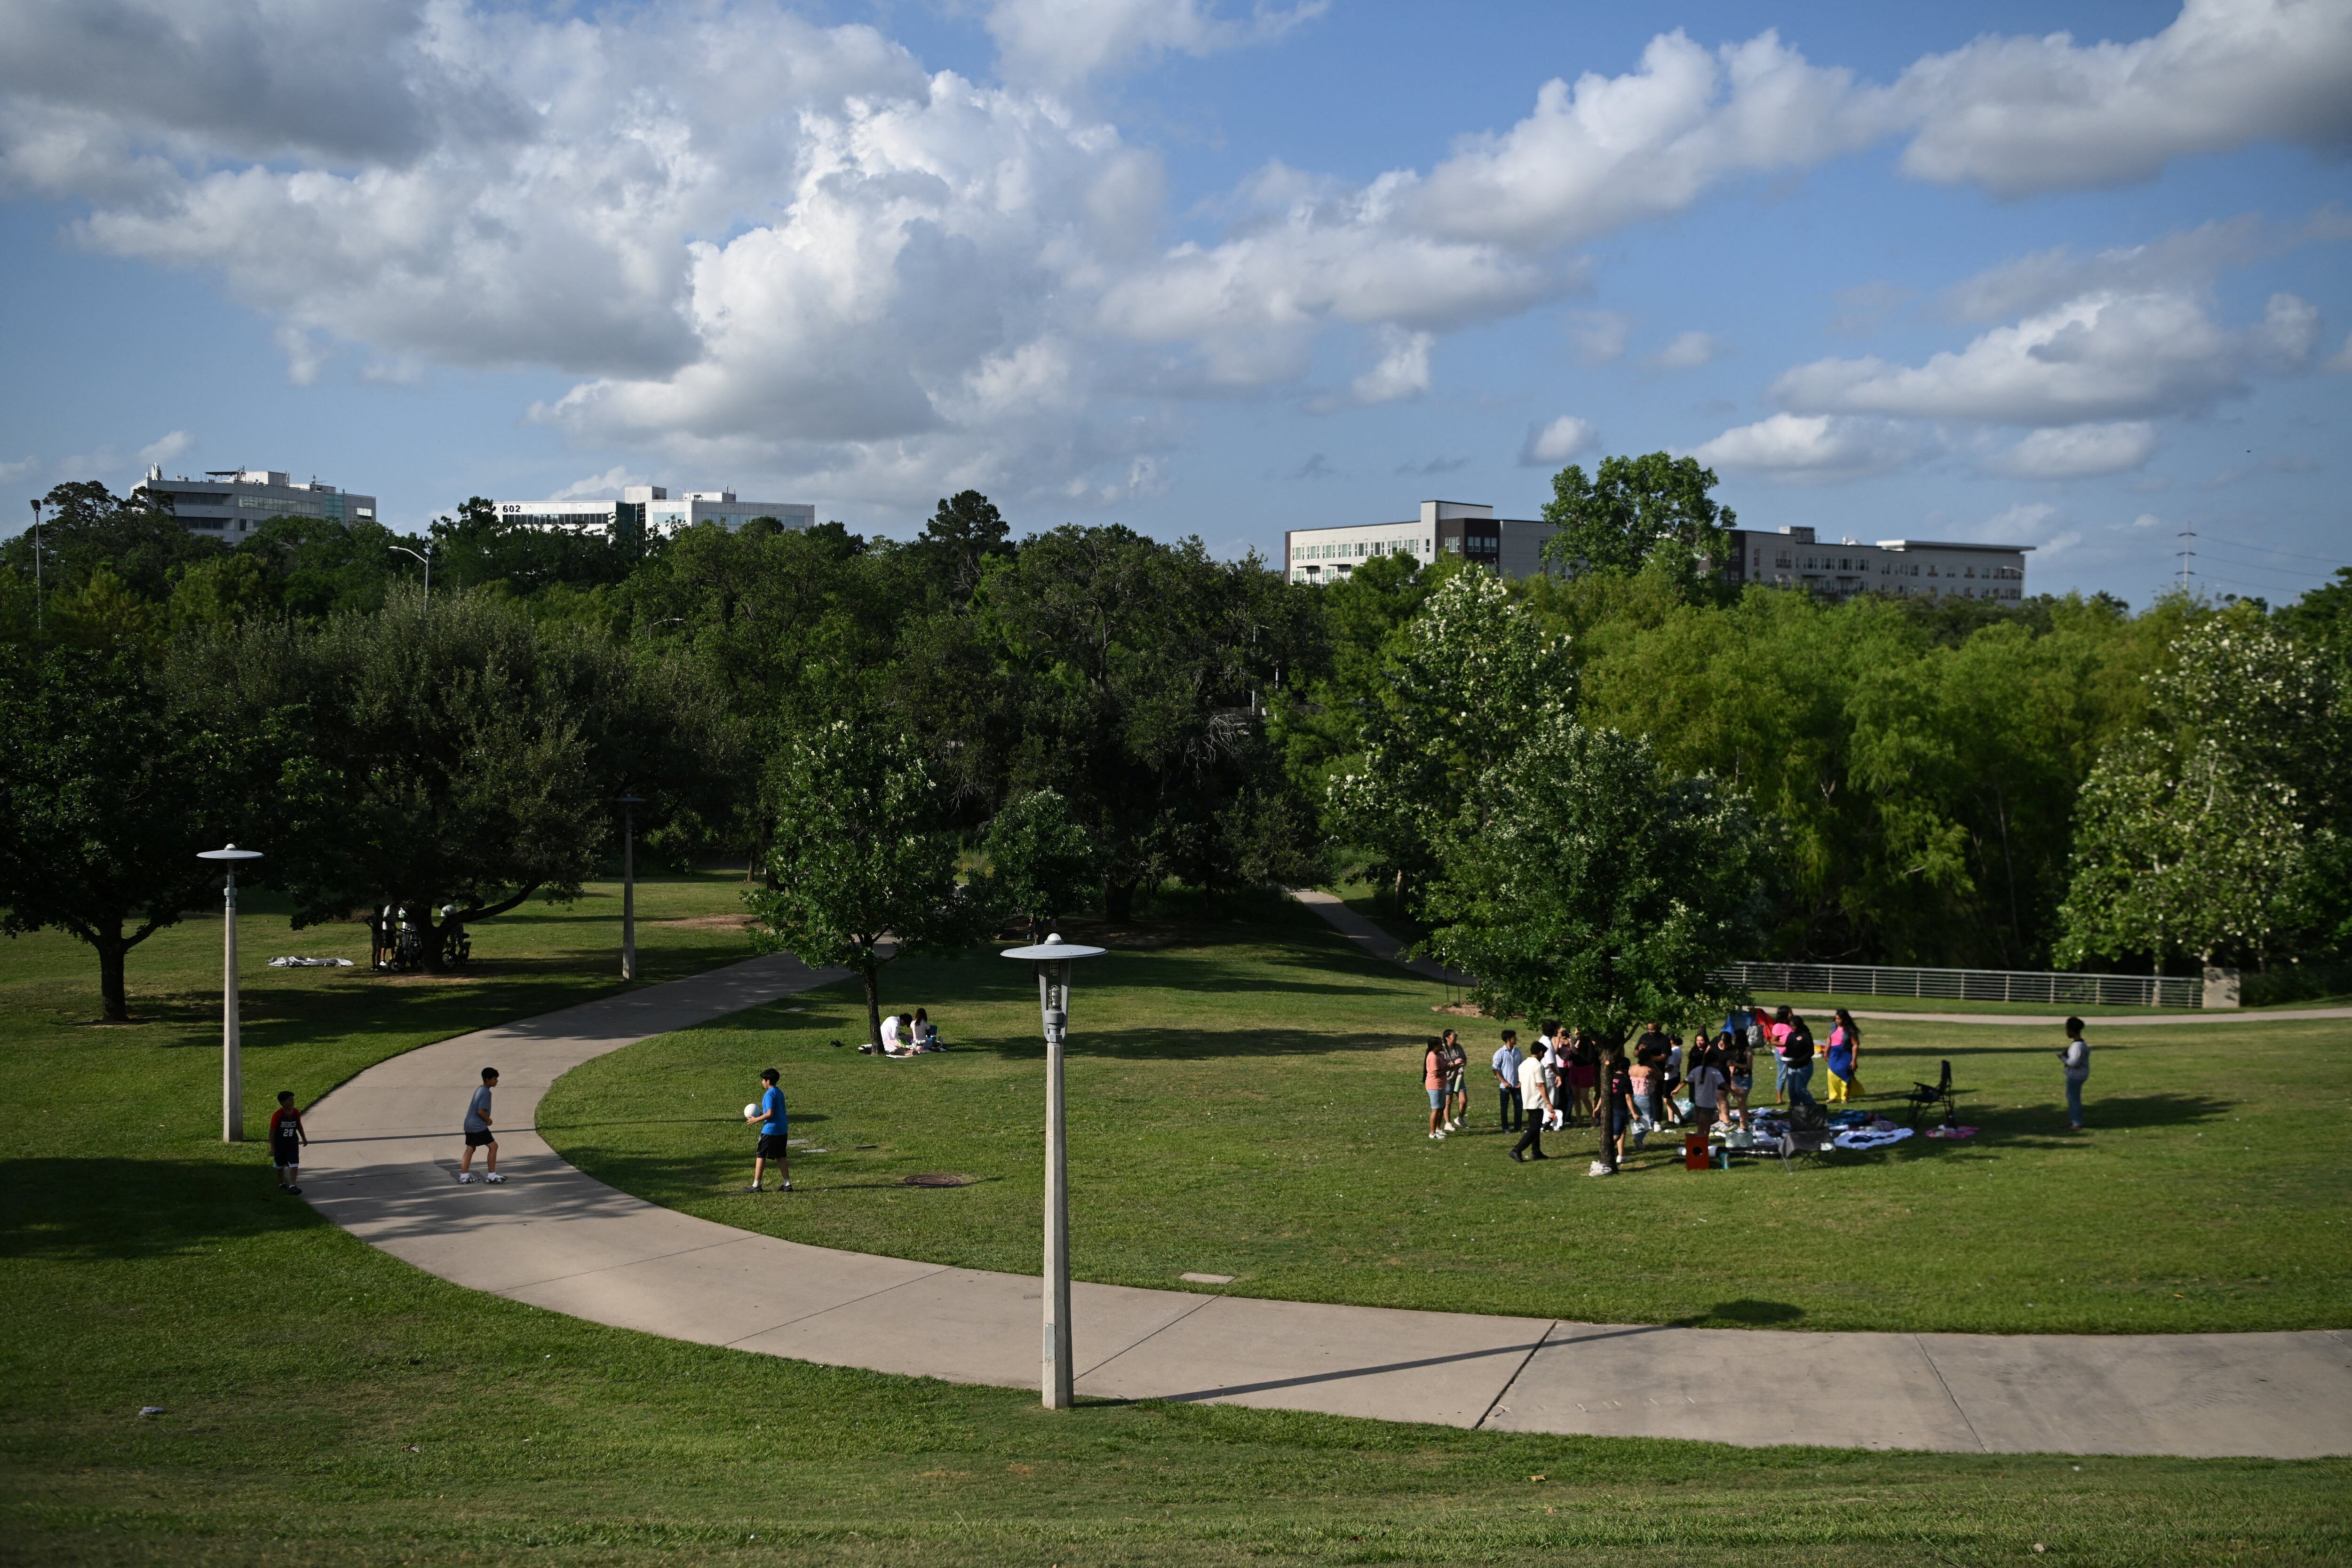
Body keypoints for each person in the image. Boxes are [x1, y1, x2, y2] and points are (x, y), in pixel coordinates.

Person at [746, 1067, 793, 1191]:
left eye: (763, 1080)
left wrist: (756, 1120)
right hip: (782, 1129)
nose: (762, 1082)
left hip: (771, 1130)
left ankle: (757, 1185)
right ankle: (787, 1184)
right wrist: (762, 1114)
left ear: (768, 1081)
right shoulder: (779, 1092)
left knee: (761, 1155)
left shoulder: (769, 1094)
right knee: (780, 1155)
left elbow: (770, 1113)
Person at [1593, 1044, 1634, 1174]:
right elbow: (1628, 1098)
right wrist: (1634, 1113)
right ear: (1627, 1068)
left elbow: (1603, 1094)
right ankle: (1605, 1152)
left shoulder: (1610, 1077)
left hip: (1608, 1108)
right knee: (1616, 1135)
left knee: (1622, 1130)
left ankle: (1621, 1155)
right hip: (1620, 1109)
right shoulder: (1626, 1080)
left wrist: (1598, 1107)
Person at [458, 1067, 503, 1184]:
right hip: (477, 1126)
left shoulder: (480, 1089)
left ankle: (464, 1176)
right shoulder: (486, 1092)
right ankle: (492, 1175)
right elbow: (481, 1111)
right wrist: (489, 1120)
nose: (496, 1081)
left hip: (469, 1124)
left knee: (470, 1148)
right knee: (494, 1147)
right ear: (487, 1080)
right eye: (494, 1079)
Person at [1512, 1039, 1554, 1162]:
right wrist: (1548, 1103)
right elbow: (1540, 1085)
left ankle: (1536, 1151)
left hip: (1527, 1099)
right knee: (1534, 1129)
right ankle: (1517, 1150)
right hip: (1537, 1101)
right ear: (1541, 1053)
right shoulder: (1538, 1066)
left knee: (1534, 1126)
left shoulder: (1523, 1065)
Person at [268, 1090, 308, 1195]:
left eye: (293, 1100)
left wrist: (303, 1137)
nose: (293, 1102)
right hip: (280, 1144)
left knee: (294, 1162)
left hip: (292, 1142)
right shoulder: (278, 1115)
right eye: (290, 1100)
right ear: (283, 1102)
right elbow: (272, 1132)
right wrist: (272, 1147)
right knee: (280, 1164)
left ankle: (292, 1186)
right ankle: (282, 1184)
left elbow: (299, 1125)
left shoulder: (296, 1112)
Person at [1685, 1044, 1725, 1142]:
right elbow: (1723, 1084)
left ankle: (1705, 1138)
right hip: (1708, 1102)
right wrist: (1733, 1092)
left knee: (1703, 1122)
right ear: (1714, 1062)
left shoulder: (1697, 1070)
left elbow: (1686, 1080)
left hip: (1698, 1101)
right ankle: (1700, 1139)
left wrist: (1677, 1089)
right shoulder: (1715, 1072)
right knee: (1705, 1123)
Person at [2057, 1016, 2090, 1130]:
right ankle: (2074, 1121)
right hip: (2077, 1075)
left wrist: (2062, 1058)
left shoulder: (2077, 1046)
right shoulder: (2081, 1044)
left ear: (2071, 1030)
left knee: (2074, 1099)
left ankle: (2077, 1123)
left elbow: (2073, 1062)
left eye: (2067, 1029)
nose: (2066, 1032)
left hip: (2076, 1076)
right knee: (2072, 1098)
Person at [1825, 1009, 1863, 1102]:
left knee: (1845, 1075)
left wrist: (1854, 1060)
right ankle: (1834, 1097)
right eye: (1836, 1018)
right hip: (1834, 1054)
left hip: (1845, 1055)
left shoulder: (1850, 1030)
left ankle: (1845, 1097)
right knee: (1831, 1074)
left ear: (1845, 1019)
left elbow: (1855, 1045)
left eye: (1839, 1019)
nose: (1837, 1021)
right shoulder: (1833, 1026)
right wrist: (1827, 1050)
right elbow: (1829, 1038)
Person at [1492, 1030, 1525, 1133]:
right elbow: (1495, 1069)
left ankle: (1518, 1126)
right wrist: (1504, 1082)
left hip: (1517, 1085)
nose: (1516, 1039)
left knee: (1519, 1106)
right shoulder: (1500, 1053)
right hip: (1505, 1086)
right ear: (1509, 1039)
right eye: (1514, 1038)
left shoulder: (1518, 1052)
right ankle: (1505, 1128)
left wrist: (1522, 1081)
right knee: (1504, 1108)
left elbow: (1522, 1067)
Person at [1782, 1014, 1818, 1107]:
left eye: (1793, 1026)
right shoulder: (1791, 1035)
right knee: (1792, 1090)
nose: (1792, 1028)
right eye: (1791, 1026)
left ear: (1799, 1025)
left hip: (1804, 1066)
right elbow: (1788, 1048)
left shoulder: (1806, 1035)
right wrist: (1786, 1055)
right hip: (1792, 1066)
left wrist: (1800, 1060)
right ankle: (1795, 1109)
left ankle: (1812, 1107)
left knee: (1799, 1089)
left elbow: (1811, 1051)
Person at [1440, 1029, 1470, 1132]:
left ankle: (1460, 1119)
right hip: (1448, 1079)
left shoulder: (1459, 1047)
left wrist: (1463, 1063)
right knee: (1448, 1101)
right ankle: (1448, 1123)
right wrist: (1454, 1063)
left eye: (1456, 1035)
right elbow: (1442, 1063)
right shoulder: (1443, 1049)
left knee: (1464, 1100)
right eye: (1454, 1036)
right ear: (1447, 1038)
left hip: (1459, 1078)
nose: (1456, 1037)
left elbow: (1464, 1059)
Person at [1724, 1029, 1753, 1126]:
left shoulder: (1748, 1050)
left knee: (1742, 1102)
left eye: (1735, 1037)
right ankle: (1744, 1123)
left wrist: (1736, 1064)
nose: (1734, 1038)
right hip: (1736, 1077)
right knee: (1740, 1102)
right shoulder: (1734, 1050)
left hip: (1745, 1078)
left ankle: (1744, 1125)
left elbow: (1749, 1066)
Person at [1568, 1029, 1597, 1120]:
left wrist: (1577, 1052)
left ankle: (1594, 1119)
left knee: (1584, 1097)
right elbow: (1574, 1057)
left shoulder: (1589, 1044)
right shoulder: (1576, 1042)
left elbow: (1589, 1060)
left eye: (1578, 1032)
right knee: (1576, 1097)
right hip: (1575, 1069)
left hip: (1585, 1070)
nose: (1576, 1034)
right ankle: (1579, 1120)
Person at [1423, 1037, 1449, 1140]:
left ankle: (1438, 1129)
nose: (1442, 1046)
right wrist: (1449, 1068)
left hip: (1441, 1085)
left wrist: (1450, 1064)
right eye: (1440, 1045)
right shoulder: (1432, 1057)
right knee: (1436, 1109)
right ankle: (1432, 1133)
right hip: (1434, 1086)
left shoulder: (1439, 1055)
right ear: (1435, 1047)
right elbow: (1436, 1073)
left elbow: (1444, 1064)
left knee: (1442, 1107)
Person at [1769, 1006, 1796, 1104]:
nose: (1792, 1014)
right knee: (1783, 1075)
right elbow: (1773, 1041)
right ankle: (1779, 1099)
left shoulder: (1793, 1025)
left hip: (1793, 1054)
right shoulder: (1778, 1026)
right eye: (1790, 1013)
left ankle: (1792, 1097)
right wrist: (1786, 1044)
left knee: (1792, 1075)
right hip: (1782, 1054)